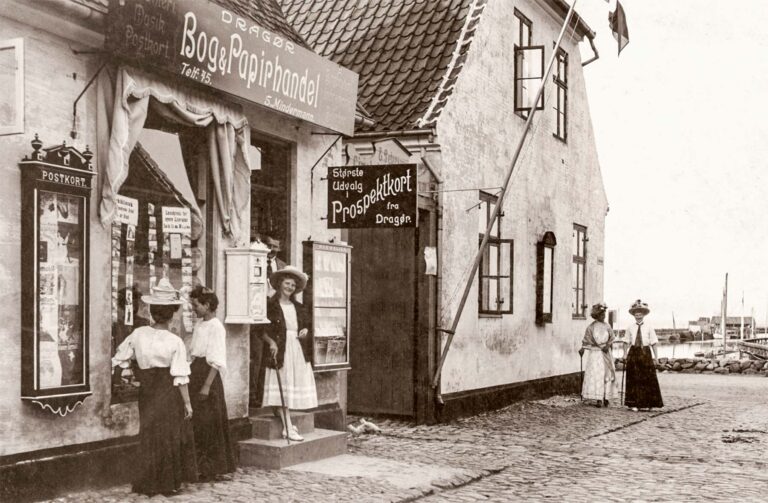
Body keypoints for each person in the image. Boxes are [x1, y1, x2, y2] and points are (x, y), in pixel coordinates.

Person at [111, 278, 197, 496]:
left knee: (149, 432)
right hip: (168, 391)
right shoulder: (174, 341)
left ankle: (146, 482)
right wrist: (188, 403)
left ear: (152, 311)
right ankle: (167, 482)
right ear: (173, 313)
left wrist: (121, 378)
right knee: (168, 435)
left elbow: (120, 358)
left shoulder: (138, 334)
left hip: (147, 391)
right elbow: (180, 376)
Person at [261, 266, 317, 441]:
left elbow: (306, 326)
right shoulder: (270, 305)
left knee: (290, 387)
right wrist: (271, 342)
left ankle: (286, 422)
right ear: (279, 284)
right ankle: (288, 428)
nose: (290, 287)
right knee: (283, 387)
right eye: (287, 283)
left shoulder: (299, 307)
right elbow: (260, 330)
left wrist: (305, 331)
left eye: (293, 285)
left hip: (297, 349)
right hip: (281, 349)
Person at [188, 286, 236, 481]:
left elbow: (216, 359)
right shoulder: (200, 325)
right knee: (199, 422)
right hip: (196, 370)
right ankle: (200, 465)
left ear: (207, 305)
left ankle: (212, 467)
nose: (194, 309)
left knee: (209, 422)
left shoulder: (216, 327)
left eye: (196, 305)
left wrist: (207, 386)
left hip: (208, 374)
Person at [620, 299, 664, 411]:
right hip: (634, 353)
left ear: (644, 315)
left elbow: (654, 343)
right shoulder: (630, 327)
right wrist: (625, 354)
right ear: (633, 315)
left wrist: (656, 358)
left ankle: (649, 403)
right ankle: (633, 404)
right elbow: (626, 342)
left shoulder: (649, 327)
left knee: (647, 377)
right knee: (634, 378)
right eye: (636, 314)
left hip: (645, 352)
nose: (638, 316)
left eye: (640, 314)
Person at [579, 302, 617, 407]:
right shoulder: (591, 327)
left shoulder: (608, 326)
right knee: (597, 374)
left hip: (605, 353)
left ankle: (606, 397)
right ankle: (598, 398)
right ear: (596, 315)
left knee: (606, 374)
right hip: (595, 354)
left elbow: (612, 337)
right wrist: (583, 348)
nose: (603, 316)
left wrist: (607, 346)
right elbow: (586, 339)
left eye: (604, 314)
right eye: (601, 314)